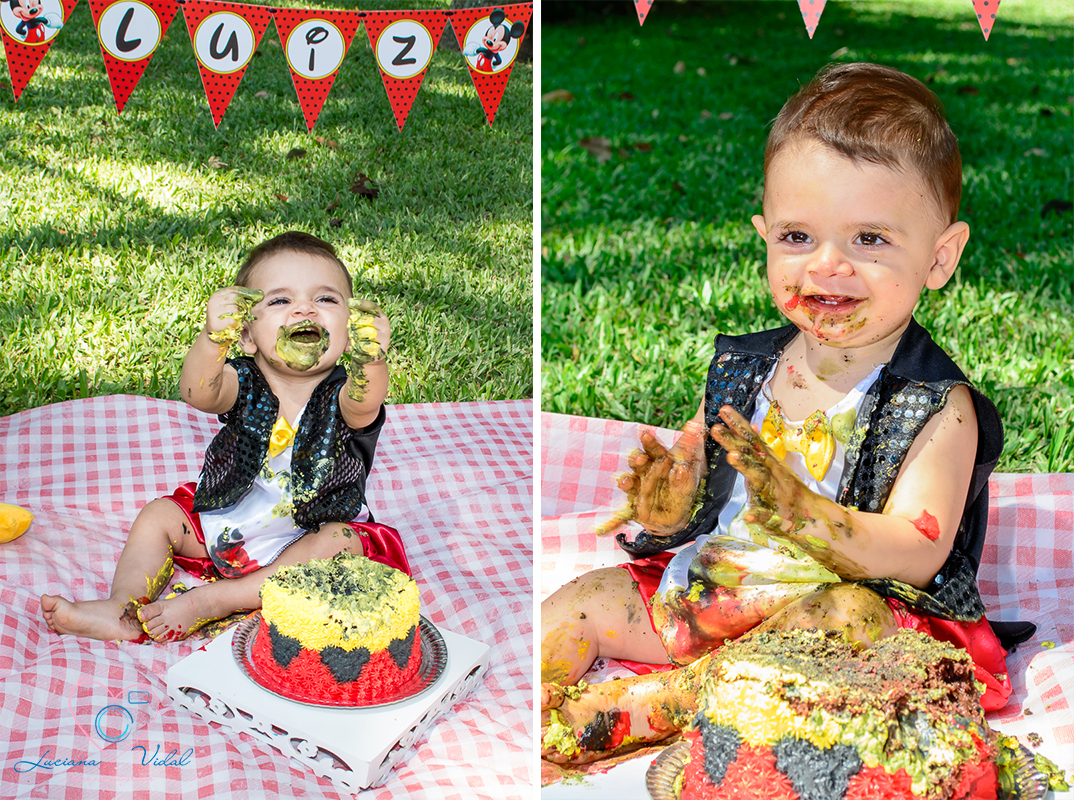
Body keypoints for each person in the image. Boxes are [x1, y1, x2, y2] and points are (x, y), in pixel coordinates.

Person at [540, 62, 1035, 764]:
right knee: (586, 595)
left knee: (848, 619)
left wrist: (806, 512)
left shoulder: (936, 408)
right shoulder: (749, 370)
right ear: (763, 234)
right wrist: (668, 511)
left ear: (940, 257)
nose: (827, 265)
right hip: (725, 588)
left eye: (870, 239)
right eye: (798, 237)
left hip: (852, 616)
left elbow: (919, 554)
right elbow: (711, 501)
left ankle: (664, 705)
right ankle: (531, 698)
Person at [41, 231, 407, 643]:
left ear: (349, 329)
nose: (304, 309)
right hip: (234, 520)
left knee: (341, 543)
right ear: (247, 335)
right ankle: (123, 608)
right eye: (280, 300)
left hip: (311, 532)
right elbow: (199, 391)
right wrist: (213, 339)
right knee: (158, 517)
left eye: (326, 299)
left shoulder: (345, 393)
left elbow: (365, 402)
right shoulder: (243, 378)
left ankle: (219, 599)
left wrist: (371, 359)